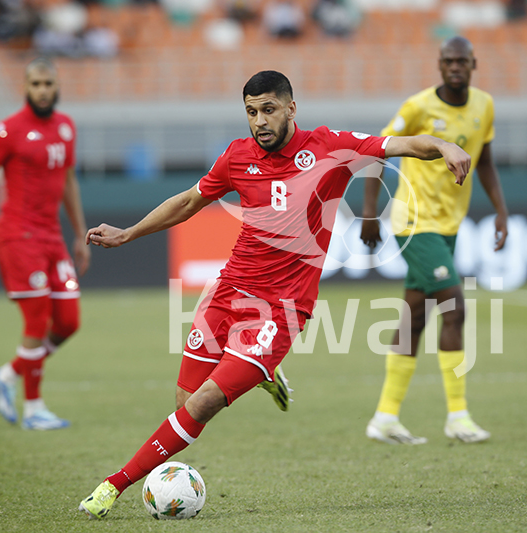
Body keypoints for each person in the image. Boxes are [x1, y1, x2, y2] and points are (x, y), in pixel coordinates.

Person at [77, 70, 473, 519]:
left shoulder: (329, 147)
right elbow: (189, 201)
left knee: (204, 403)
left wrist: (441, 145)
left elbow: (398, 145)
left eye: (268, 109)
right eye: (251, 112)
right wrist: (128, 234)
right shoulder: (237, 157)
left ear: (291, 108)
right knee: (186, 406)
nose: (259, 121)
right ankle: (266, 373)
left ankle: (113, 485)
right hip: (228, 293)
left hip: (281, 309)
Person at [360, 36, 509, 445]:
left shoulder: (485, 106)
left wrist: (500, 209)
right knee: (454, 306)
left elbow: (487, 162)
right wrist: (370, 213)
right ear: (439, 65)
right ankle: (458, 417)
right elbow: (376, 153)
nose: (456, 66)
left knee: (416, 316)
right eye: (449, 61)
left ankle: (385, 418)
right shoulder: (418, 107)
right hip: (413, 222)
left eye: (462, 60)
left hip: (449, 224)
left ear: (473, 63)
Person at [0, 57, 89, 431]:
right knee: (37, 319)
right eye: (35, 84)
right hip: (19, 236)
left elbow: (68, 181)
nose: (42, 91)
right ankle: (34, 408)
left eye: (48, 84)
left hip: (52, 238)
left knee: (68, 322)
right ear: (25, 88)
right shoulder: (8, 130)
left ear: (56, 86)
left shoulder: (66, 128)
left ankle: (7, 374)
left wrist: (79, 233)